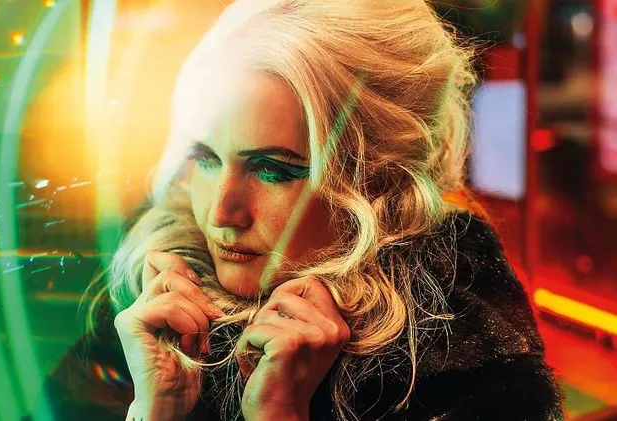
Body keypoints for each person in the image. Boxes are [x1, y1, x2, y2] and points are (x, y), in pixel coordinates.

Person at [36, 1, 564, 420]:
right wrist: (155, 410)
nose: (221, 213)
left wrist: (280, 414)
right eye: (205, 157)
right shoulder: (149, 302)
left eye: (274, 169)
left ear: (380, 176)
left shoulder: (469, 364)